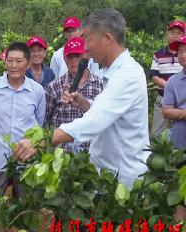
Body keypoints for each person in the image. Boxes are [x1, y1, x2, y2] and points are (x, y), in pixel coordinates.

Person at [14, 8, 150, 189]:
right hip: (108, 174)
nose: (85, 47)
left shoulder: (126, 75)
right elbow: (109, 112)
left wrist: (40, 140)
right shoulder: (112, 73)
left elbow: (93, 122)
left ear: (107, 39)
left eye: (88, 38)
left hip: (122, 179)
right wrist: (85, 104)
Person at [0, 42, 46, 216]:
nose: (14, 66)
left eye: (19, 61)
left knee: (26, 205)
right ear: (5, 62)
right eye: (10, 60)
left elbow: (39, 123)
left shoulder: (37, 91)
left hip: (26, 159)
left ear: (28, 64)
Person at [45, 36, 103, 152]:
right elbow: (47, 120)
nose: (73, 60)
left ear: (86, 57)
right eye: (70, 57)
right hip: (61, 156)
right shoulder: (54, 87)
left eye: (77, 56)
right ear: (64, 58)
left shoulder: (100, 84)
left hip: (91, 155)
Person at [150, 20, 185, 137]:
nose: (175, 36)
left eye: (178, 33)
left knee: (178, 135)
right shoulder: (158, 54)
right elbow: (155, 77)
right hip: (162, 99)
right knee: (157, 135)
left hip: (182, 101)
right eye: (172, 32)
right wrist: (171, 87)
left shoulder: (183, 55)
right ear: (167, 34)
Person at [162, 35, 186, 149]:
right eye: (180, 52)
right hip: (179, 144)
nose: (183, 55)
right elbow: (166, 112)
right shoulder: (172, 82)